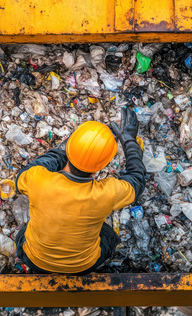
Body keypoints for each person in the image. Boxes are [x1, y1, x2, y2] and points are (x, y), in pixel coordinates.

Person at [15, 108, 146, 275]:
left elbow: (23, 176)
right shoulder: (108, 193)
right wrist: (129, 142)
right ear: (102, 166)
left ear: (69, 148)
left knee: (25, 231)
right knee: (108, 234)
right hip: (82, 265)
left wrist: (62, 152)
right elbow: (137, 179)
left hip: (34, 259)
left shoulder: (37, 179)